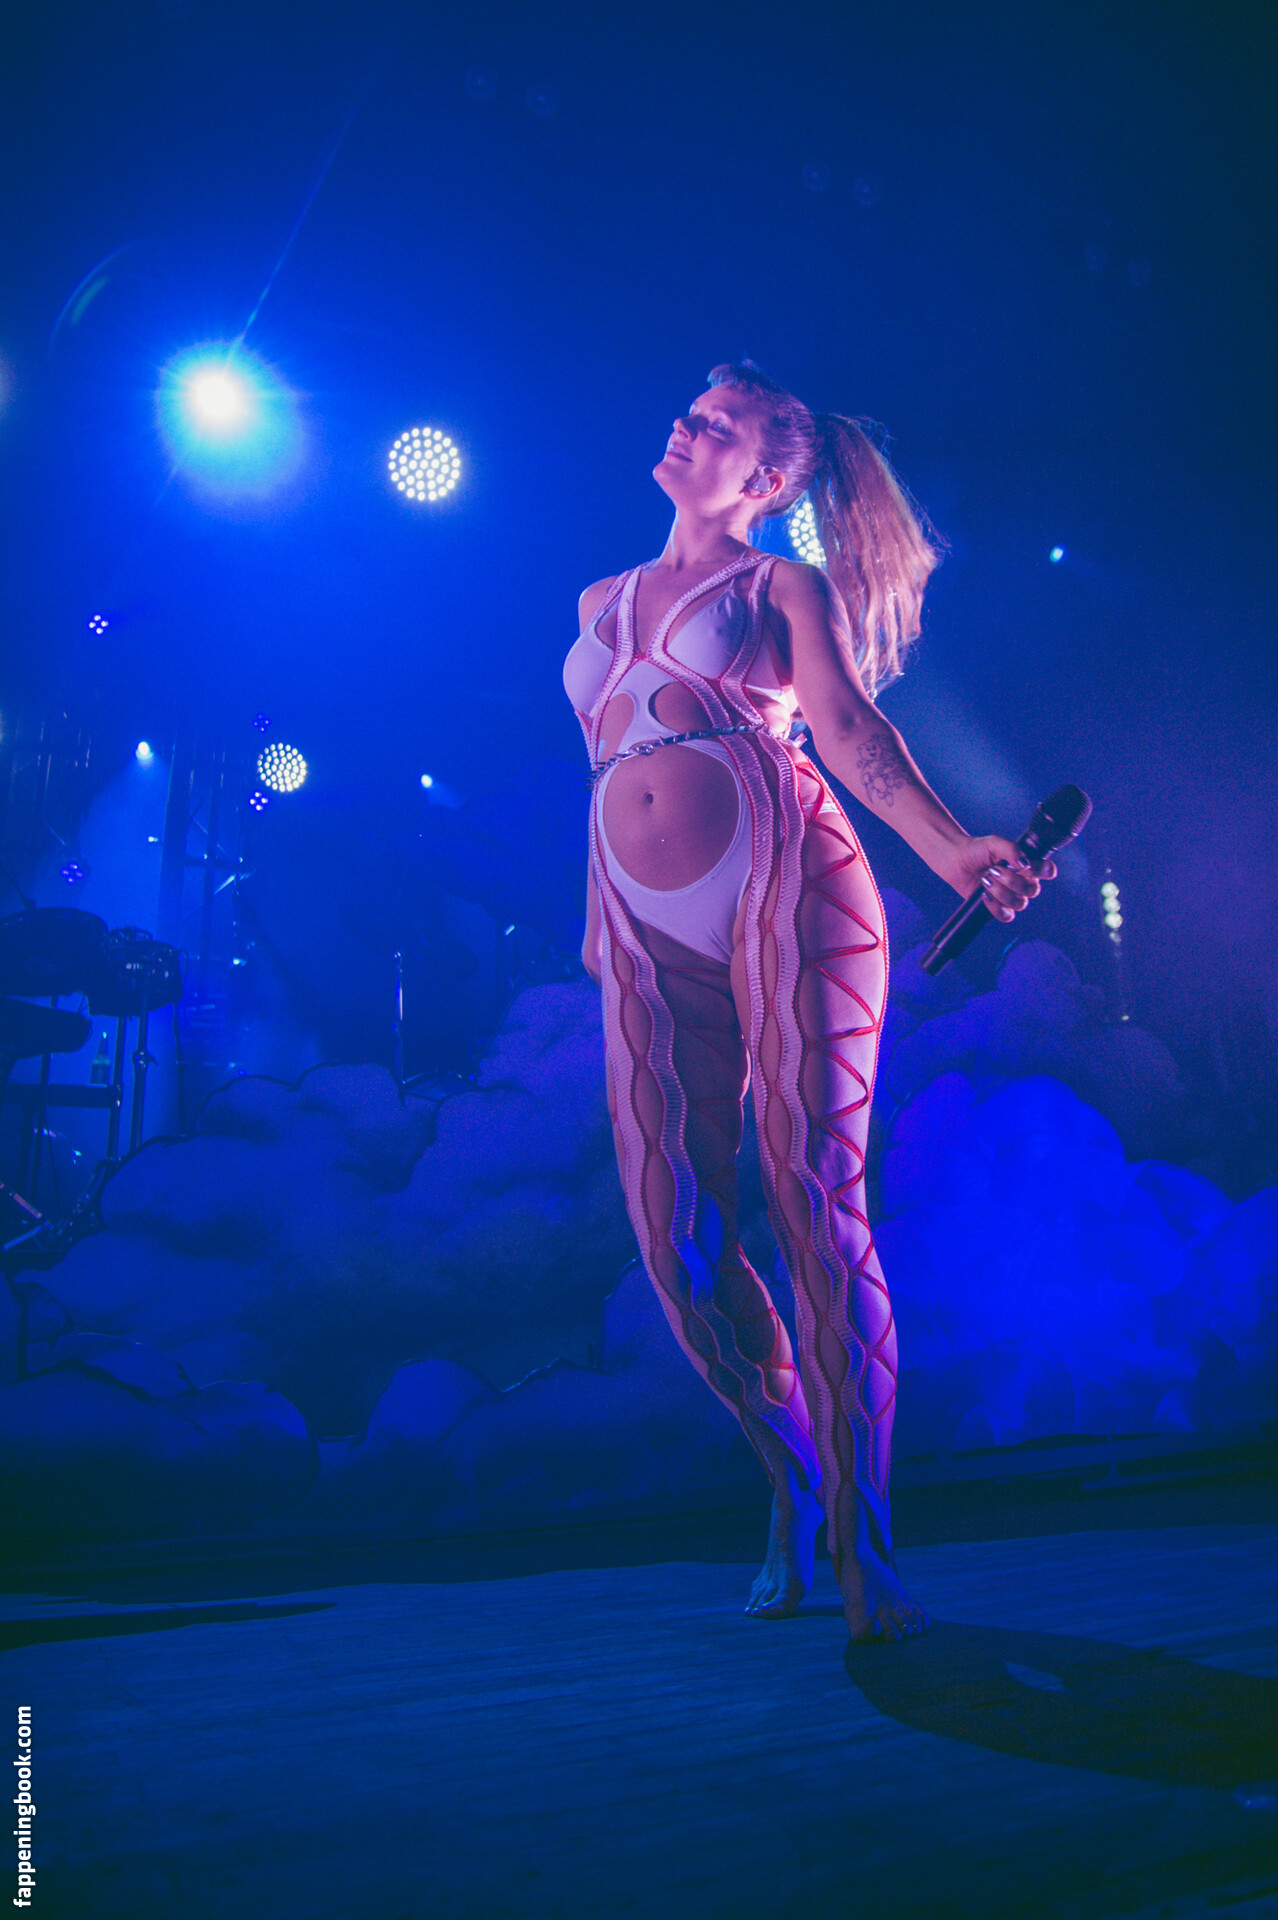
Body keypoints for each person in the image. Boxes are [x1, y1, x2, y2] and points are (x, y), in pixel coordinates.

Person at [563, 364, 1054, 1643]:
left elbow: (848, 730)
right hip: (639, 924)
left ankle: (864, 1536)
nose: (685, 425)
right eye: (689, 410)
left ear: (769, 479)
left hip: (792, 882)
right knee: (672, 1238)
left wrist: (953, 850)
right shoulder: (599, 599)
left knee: (811, 1199)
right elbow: (610, 759)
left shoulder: (783, 586)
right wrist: (605, 924)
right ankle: (794, 1479)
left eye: (716, 424)